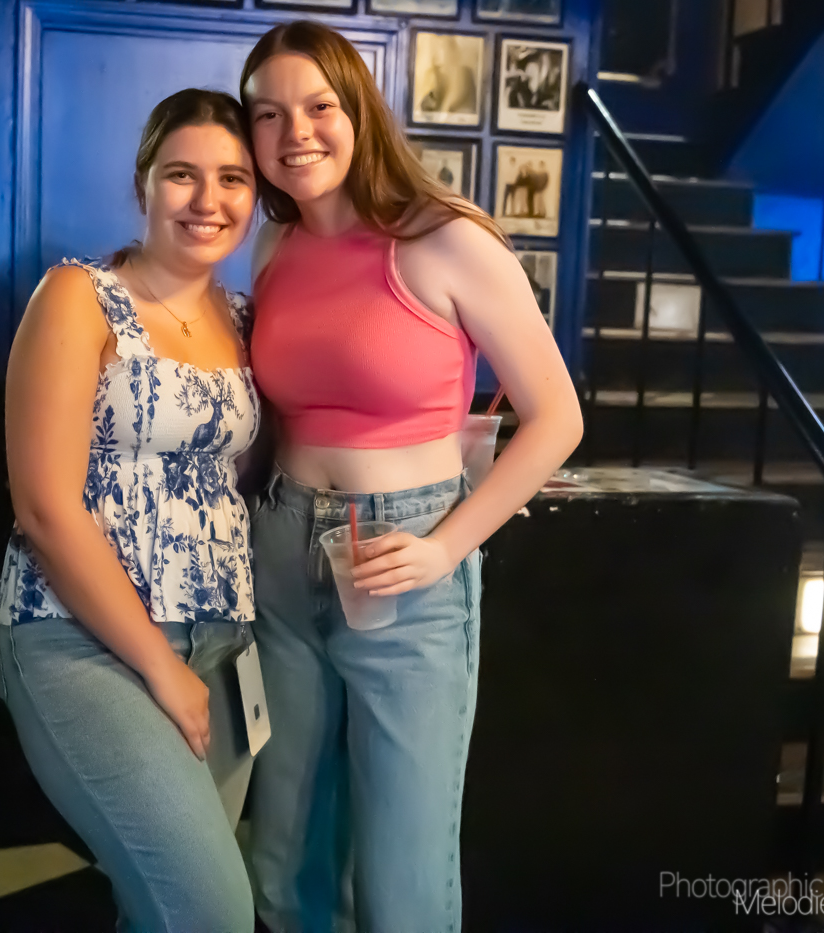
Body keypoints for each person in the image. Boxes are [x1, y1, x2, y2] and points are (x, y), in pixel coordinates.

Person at [240, 21, 584, 932]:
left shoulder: (445, 239)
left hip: (406, 555)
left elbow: (558, 418)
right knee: (285, 862)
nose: (294, 132)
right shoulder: (273, 247)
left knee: (401, 879)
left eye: (319, 106)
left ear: (360, 110)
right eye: (267, 114)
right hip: (281, 550)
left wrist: (444, 549)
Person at [0, 88, 261, 932]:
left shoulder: (244, 319)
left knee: (162, 910)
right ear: (143, 181)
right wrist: (159, 665)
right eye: (182, 174)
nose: (208, 199)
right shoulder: (79, 294)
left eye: (233, 178)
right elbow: (43, 507)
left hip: (223, 641)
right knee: (212, 911)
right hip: (82, 638)